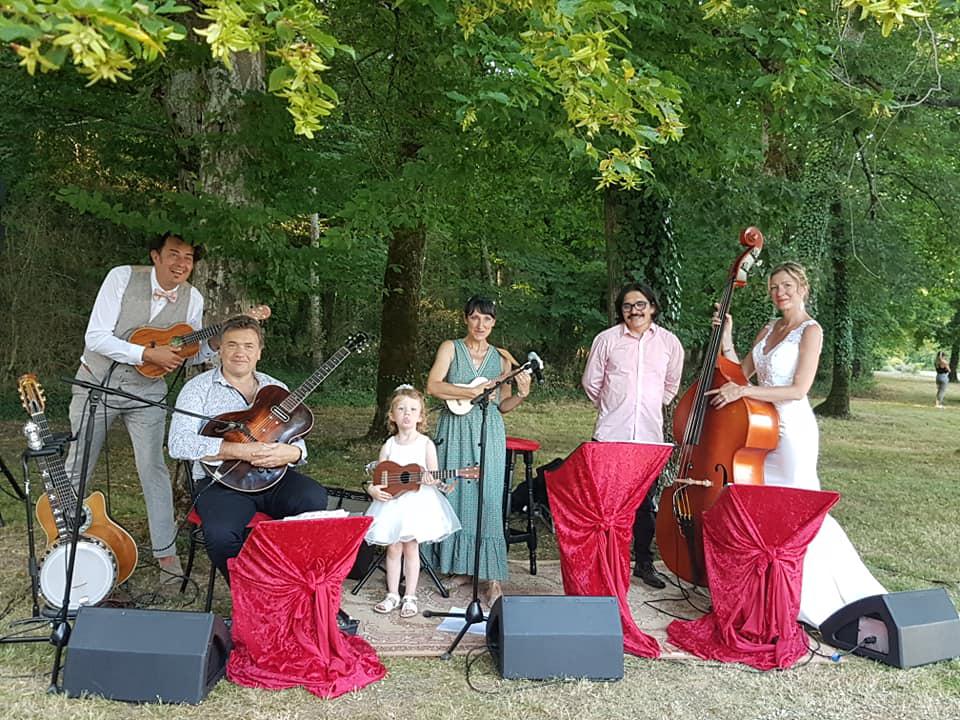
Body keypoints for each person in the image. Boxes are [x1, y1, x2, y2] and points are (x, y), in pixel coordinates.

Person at [709, 261, 885, 627]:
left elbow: (799, 389)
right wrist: (727, 336)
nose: (780, 292)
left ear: (803, 287)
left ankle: (814, 598)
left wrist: (743, 390)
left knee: (797, 510)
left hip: (792, 431)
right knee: (763, 513)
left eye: (787, 285)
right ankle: (773, 592)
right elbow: (741, 372)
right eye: (774, 287)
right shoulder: (768, 328)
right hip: (757, 431)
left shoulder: (811, 331)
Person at [65, 232, 215, 576]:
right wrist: (146, 353)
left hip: (148, 392)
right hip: (97, 384)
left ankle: (166, 556)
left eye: (188, 258)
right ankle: (64, 543)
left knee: (154, 469)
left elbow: (185, 352)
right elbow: (96, 337)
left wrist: (215, 344)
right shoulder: (122, 277)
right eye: (174, 254)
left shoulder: (193, 298)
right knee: (78, 465)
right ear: (155, 256)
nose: (181, 264)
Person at [167, 315, 329, 581]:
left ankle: (292, 581)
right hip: (220, 482)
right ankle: (254, 592)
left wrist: (294, 453)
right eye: (232, 345)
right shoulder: (198, 389)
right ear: (220, 349)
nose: (240, 352)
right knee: (220, 535)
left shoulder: (276, 388)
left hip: (273, 476)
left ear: (259, 352)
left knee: (313, 501)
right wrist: (238, 450)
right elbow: (178, 443)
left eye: (248, 346)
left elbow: (294, 436)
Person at [426, 296, 532, 605]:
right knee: (453, 492)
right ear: (465, 319)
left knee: (486, 497)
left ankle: (491, 576)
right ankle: (462, 567)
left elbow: (504, 405)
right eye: (474, 318)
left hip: (489, 429)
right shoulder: (450, 348)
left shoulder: (502, 359)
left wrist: (522, 395)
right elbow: (433, 385)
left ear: (494, 322)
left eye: (487, 319)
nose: (480, 325)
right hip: (454, 428)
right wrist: (470, 391)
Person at [582, 282, 684, 589]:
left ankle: (643, 562)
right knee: (606, 506)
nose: (634, 311)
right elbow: (591, 383)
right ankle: (605, 563)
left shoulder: (669, 343)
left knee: (644, 505)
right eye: (627, 306)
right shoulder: (607, 340)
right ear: (621, 311)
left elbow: (670, 386)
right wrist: (616, 406)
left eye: (640, 304)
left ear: (652, 307)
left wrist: (645, 406)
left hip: (649, 438)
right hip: (612, 435)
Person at [364, 386, 461, 618]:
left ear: (420, 417)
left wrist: (435, 481)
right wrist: (373, 490)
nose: (407, 413)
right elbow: (380, 476)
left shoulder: (425, 443)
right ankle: (391, 594)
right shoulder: (389, 445)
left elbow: (433, 475)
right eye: (401, 409)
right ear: (392, 415)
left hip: (417, 503)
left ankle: (410, 595)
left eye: (413, 410)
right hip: (392, 504)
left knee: (411, 548)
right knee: (393, 548)